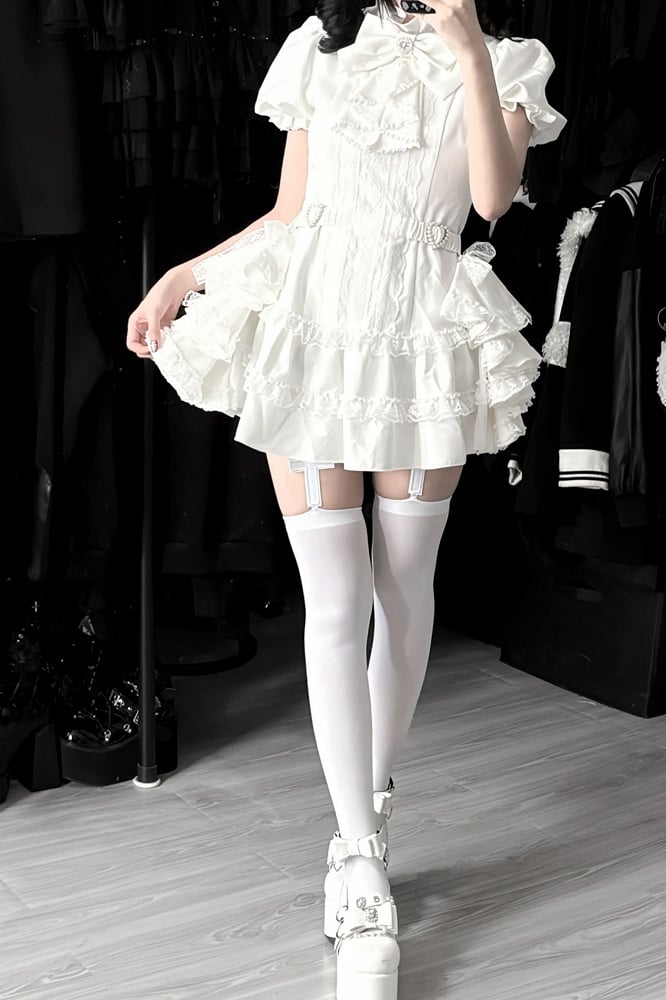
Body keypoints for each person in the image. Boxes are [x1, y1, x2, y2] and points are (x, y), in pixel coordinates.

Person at [126, 2, 565, 997]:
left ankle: (362, 823)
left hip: (422, 331)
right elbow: (290, 215)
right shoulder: (319, 47)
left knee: (404, 589)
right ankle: (362, 866)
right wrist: (183, 275)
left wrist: (465, 50)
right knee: (336, 603)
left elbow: (492, 199)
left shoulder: (512, 60)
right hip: (314, 333)